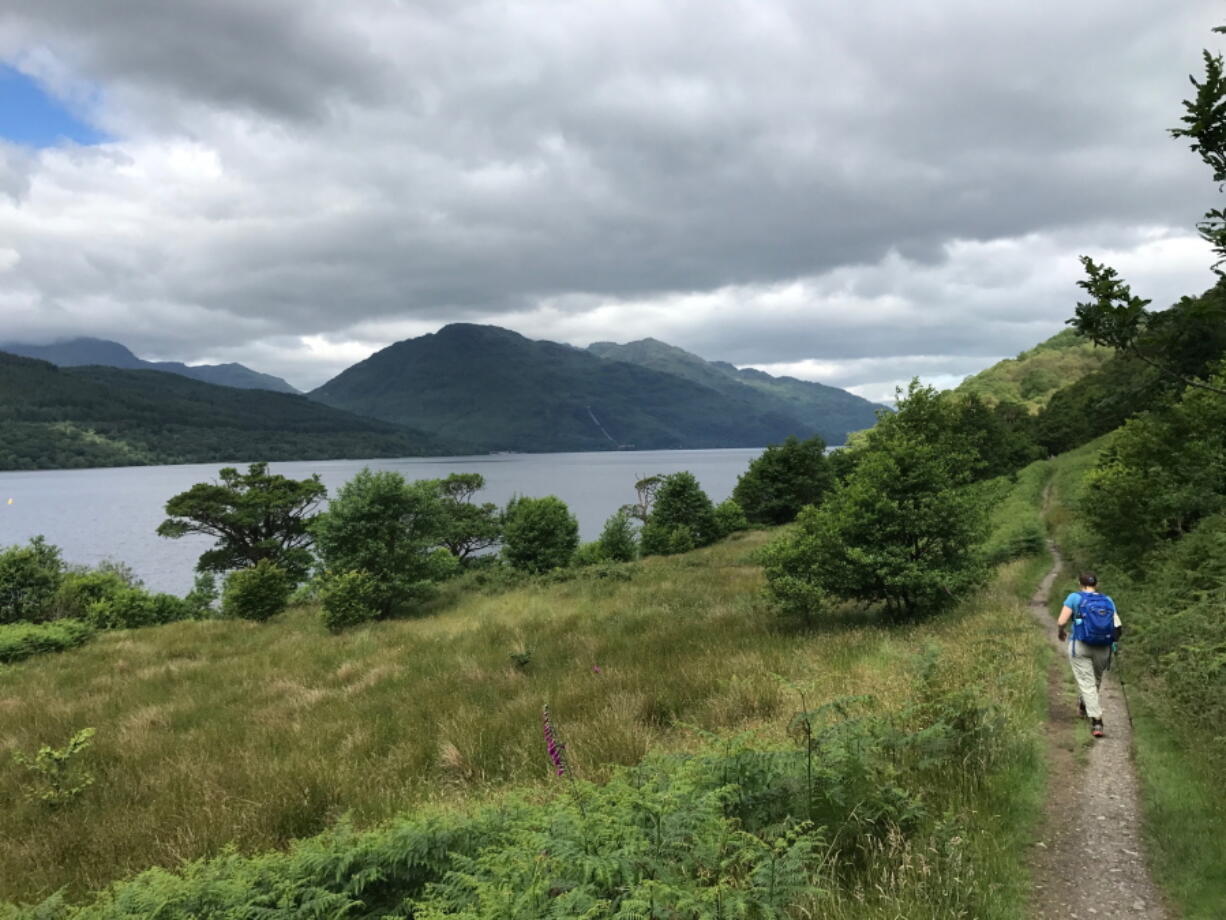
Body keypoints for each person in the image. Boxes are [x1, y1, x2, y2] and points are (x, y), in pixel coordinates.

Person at [1056, 572, 1123, 738]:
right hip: (1103, 646)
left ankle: (1097, 721)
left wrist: (1061, 632)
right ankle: (1086, 706)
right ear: (1096, 584)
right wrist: (1114, 643)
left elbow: (1062, 621)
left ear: (1080, 583)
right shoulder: (1107, 600)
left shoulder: (1074, 597)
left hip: (1080, 644)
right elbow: (1117, 625)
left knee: (1087, 683)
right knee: (1095, 681)